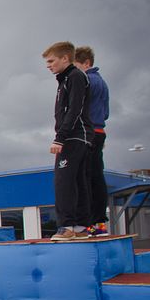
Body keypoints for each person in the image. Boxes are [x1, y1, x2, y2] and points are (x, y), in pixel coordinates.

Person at [43, 41, 94, 241]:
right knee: (77, 181)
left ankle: (66, 226)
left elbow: (74, 109)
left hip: (73, 136)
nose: (49, 65)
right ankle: (80, 227)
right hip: (79, 136)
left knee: (63, 181)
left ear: (65, 58)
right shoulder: (65, 79)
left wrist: (60, 138)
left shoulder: (75, 77)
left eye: (51, 61)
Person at [75, 46, 110, 237]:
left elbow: (77, 108)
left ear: (86, 63)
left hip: (88, 132)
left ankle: (88, 223)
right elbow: (105, 112)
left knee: (86, 177)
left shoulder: (87, 80)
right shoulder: (102, 82)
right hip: (99, 130)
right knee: (97, 175)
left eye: (76, 66)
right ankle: (99, 222)